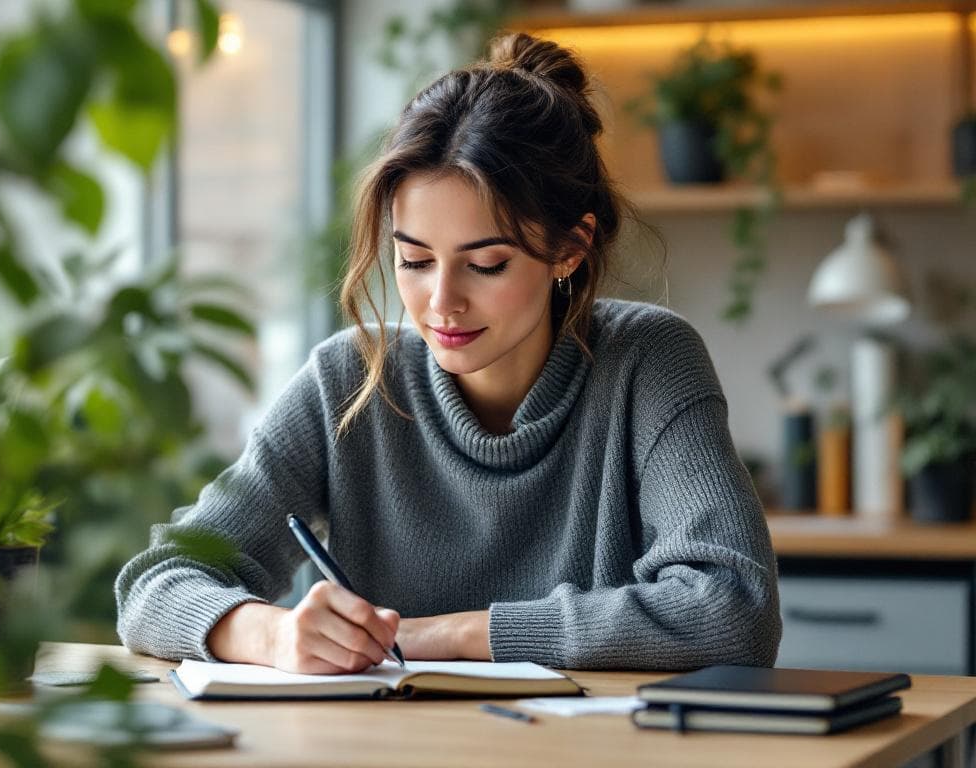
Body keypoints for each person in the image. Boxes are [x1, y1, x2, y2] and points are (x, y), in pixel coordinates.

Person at [115, 33, 781, 674]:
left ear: (571, 250)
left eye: (486, 263)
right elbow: (153, 584)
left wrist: (453, 634)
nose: (440, 302)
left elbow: (733, 610)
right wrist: (272, 633)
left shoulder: (647, 360)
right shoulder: (348, 378)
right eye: (413, 260)